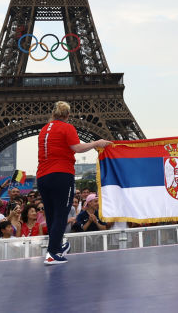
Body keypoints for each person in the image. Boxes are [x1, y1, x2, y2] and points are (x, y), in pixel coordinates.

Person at [35, 100, 112, 265]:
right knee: (62, 214)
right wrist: (96, 143)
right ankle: (53, 253)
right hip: (61, 174)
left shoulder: (43, 130)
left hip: (42, 176)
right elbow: (77, 148)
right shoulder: (67, 127)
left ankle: (55, 246)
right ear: (68, 115)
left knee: (51, 215)